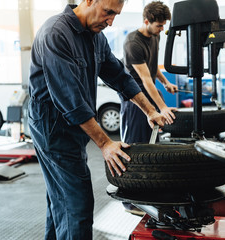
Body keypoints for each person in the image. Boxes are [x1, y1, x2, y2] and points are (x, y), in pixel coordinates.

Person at [28, 0, 166, 239]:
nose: (111, 21)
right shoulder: (56, 33)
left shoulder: (95, 37)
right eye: (108, 12)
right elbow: (71, 100)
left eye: (116, 15)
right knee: (77, 205)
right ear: (89, 1)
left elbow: (120, 77)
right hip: (53, 131)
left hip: (73, 130)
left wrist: (150, 111)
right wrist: (105, 144)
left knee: (61, 200)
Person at [121, 1, 178, 144]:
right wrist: (162, 107)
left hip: (149, 91)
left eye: (163, 25)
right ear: (146, 21)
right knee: (136, 141)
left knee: (153, 136)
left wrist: (166, 83)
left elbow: (151, 66)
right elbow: (145, 78)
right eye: (159, 25)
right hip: (134, 96)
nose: (161, 29)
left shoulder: (155, 36)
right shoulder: (133, 43)